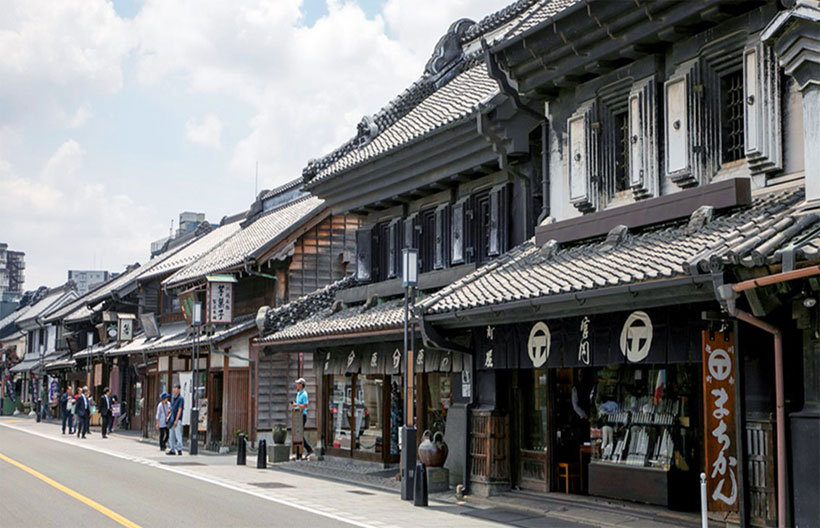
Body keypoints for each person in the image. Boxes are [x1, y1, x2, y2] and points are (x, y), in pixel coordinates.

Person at [291, 378, 313, 460]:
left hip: (302, 415)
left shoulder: (304, 394)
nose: (297, 385)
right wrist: (295, 405)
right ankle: (300, 451)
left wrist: (296, 404)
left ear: (301, 385)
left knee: (299, 434)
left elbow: (305, 405)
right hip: (297, 415)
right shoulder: (298, 393)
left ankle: (308, 449)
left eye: (298, 384)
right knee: (298, 433)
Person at [167, 384, 184, 456]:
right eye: (173, 388)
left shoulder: (181, 398)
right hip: (172, 419)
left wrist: (177, 420)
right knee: (171, 435)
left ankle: (179, 449)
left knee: (178, 435)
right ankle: (172, 449)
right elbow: (171, 408)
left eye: (176, 388)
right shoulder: (173, 398)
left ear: (179, 389)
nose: (174, 390)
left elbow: (180, 410)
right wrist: (168, 415)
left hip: (177, 419)